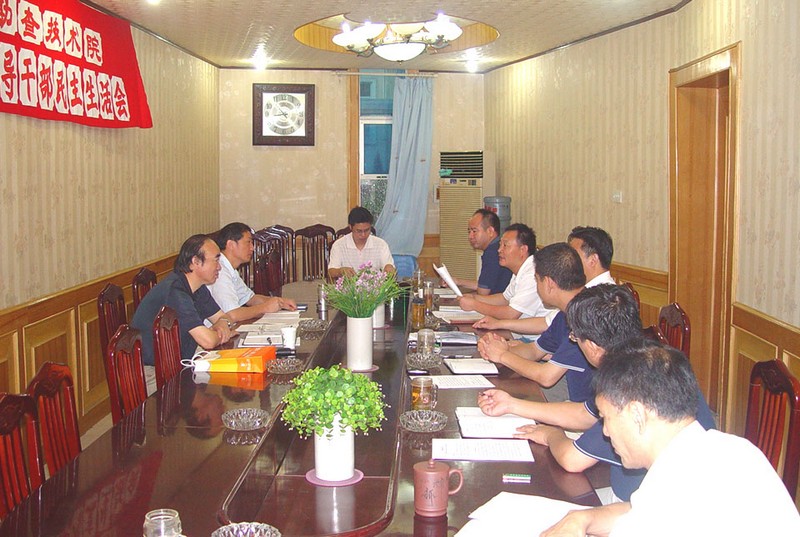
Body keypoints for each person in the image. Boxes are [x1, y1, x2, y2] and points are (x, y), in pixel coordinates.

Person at [480, 285, 715, 503]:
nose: (574, 342)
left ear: (592, 345)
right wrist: (512, 405)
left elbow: (572, 459)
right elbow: (584, 414)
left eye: (575, 337)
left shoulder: (625, 385)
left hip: (645, 503)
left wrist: (551, 434)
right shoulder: (649, 358)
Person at [541, 341, 800, 537]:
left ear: (637, 414)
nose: (606, 432)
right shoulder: (728, 448)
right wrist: (583, 518)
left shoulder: (675, 491)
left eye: (606, 418)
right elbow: (640, 509)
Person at [478, 243, 594, 402]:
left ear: (549, 283)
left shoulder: (585, 316)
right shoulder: (565, 313)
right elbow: (534, 350)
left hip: (585, 406)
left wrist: (503, 355)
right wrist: (497, 348)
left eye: (537, 280)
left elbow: (546, 377)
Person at [132, 235, 234, 392]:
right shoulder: (175, 292)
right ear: (195, 262)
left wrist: (222, 324)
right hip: (151, 373)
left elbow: (224, 317)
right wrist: (221, 331)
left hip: (178, 362)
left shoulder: (197, 287)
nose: (219, 267)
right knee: (221, 388)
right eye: (215, 260)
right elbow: (207, 341)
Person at [473, 225, 615, 334]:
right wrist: (499, 324)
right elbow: (548, 322)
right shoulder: (582, 290)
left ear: (593, 260)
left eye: (573, 254)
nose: (569, 259)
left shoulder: (604, 300)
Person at [458, 223, 554, 339]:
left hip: (533, 340)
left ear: (522, 250)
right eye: (500, 245)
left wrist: (474, 304)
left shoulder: (532, 274)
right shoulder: (521, 269)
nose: (499, 250)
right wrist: (475, 298)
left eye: (505, 245)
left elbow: (510, 314)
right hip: (518, 334)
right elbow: (504, 298)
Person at [207, 222, 297, 321]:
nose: (252, 248)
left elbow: (250, 299)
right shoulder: (220, 271)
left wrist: (280, 302)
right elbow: (232, 315)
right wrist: (265, 308)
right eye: (248, 242)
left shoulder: (230, 268)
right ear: (231, 244)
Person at [448, 209, 512, 295]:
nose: (470, 236)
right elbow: (485, 285)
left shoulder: (492, 253)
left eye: (474, 231)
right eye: (469, 231)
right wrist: (457, 281)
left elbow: (483, 292)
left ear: (490, 231)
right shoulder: (495, 247)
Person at [328, 207, 395, 279]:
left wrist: (389, 268)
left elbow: (389, 266)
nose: (363, 235)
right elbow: (331, 271)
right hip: (348, 285)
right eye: (359, 231)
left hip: (374, 285)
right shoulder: (339, 245)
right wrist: (341, 271)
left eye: (367, 230)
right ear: (350, 227)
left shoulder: (381, 244)